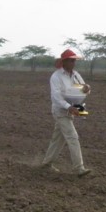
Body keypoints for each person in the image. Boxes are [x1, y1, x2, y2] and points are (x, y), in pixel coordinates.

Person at [40, 49, 92, 177]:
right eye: (72, 60)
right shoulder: (56, 76)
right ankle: (79, 168)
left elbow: (83, 89)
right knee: (72, 136)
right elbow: (56, 97)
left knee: (58, 138)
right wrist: (69, 107)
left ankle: (46, 163)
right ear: (64, 62)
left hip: (73, 108)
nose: (74, 63)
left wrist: (87, 89)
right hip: (60, 111)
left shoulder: (76, 75)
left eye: (74, 60)